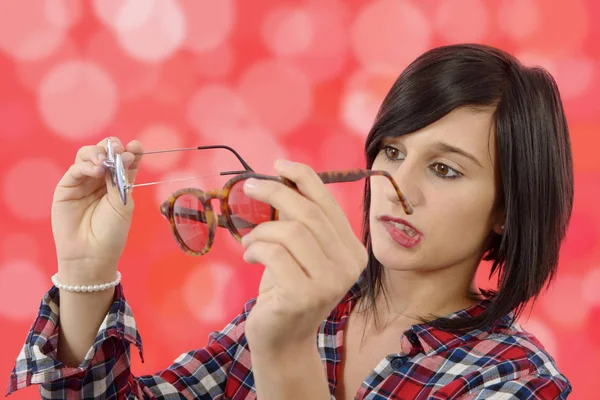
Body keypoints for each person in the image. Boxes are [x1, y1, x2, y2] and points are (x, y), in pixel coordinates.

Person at [7, 43, 573, 399]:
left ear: (506, 208)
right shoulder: (303, 310)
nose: (398, 190)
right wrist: (87, 269)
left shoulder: (513, 380)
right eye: (394, 153)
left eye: (446, 170)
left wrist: (285, 354)